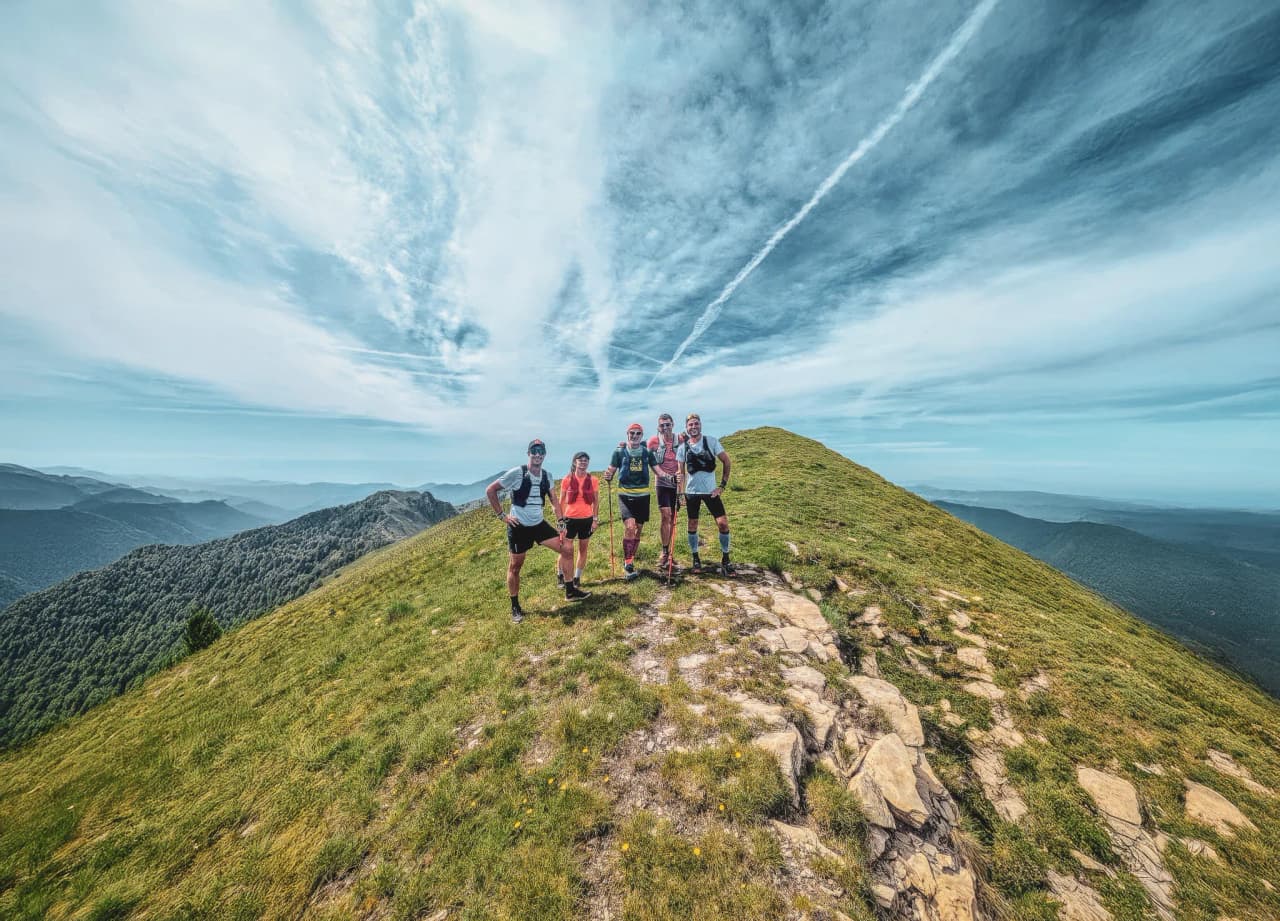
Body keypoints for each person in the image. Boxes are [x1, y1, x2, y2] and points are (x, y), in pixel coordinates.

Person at [485, 439, 590, 623]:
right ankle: (515, 606)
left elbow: (554, 500)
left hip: (539, 524)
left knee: (567, 548)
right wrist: (502, 516)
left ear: (544, 455)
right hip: (519, 527)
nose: (538, 454)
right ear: (528, 453)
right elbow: (491, 490)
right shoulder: (518, 473)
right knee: (515, 567)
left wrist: (560, 522)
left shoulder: (546, 476)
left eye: (541, 451)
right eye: (534, 451)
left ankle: (570, 591)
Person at [676, 413, 734, 575]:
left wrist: (722, 485)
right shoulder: (683, 448)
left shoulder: (712, 442)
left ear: (700, 425)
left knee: (722, 524)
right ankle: (695, 558)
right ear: (686, 428)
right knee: (692, 524)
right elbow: (681, 473)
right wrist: (680, 494)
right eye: (690, 425)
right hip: (691, 492)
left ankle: (726, 558)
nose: (693, 427)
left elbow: (726, 461)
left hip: (711, 492)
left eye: (696, 424)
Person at [603, 422, 660, 580]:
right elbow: (611, 471)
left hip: (643, 496)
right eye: (632, 433)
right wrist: (607, 475)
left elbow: (658, 471)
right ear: (627, 434)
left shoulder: (647, 453)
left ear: (641, 436)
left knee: (638, 530)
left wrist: (671, 478)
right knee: (630, 527)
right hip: (625, 495)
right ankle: (628, 563)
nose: (634, 436)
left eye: (638, 433)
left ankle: (631, 559)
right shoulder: (619, 452)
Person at [557, 451, 599, 589]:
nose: (583, 462)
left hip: (586, 519)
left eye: (586, 460)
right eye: (580, 460)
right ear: (575, 462)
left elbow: (596, 502)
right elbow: (561, 502)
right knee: (566, 550)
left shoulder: (593, 480)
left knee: (583, 549)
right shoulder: (567, 479)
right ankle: (561, 575)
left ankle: (576, 577)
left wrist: (595, 519)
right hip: (570, 519)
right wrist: (561, 521)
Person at [647, 413, 682, 570]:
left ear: (673, 424)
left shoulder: (680, 439)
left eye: (668, 424)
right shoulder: (653, 442)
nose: (665, 427)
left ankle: (670, 553)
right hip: (661, 483)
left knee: (673, 517)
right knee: (665, 515)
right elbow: (651, 463)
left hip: (677, 484)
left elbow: (684, 462)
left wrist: (681, 491)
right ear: (658, 427)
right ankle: (664, 551)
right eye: (662, 425)